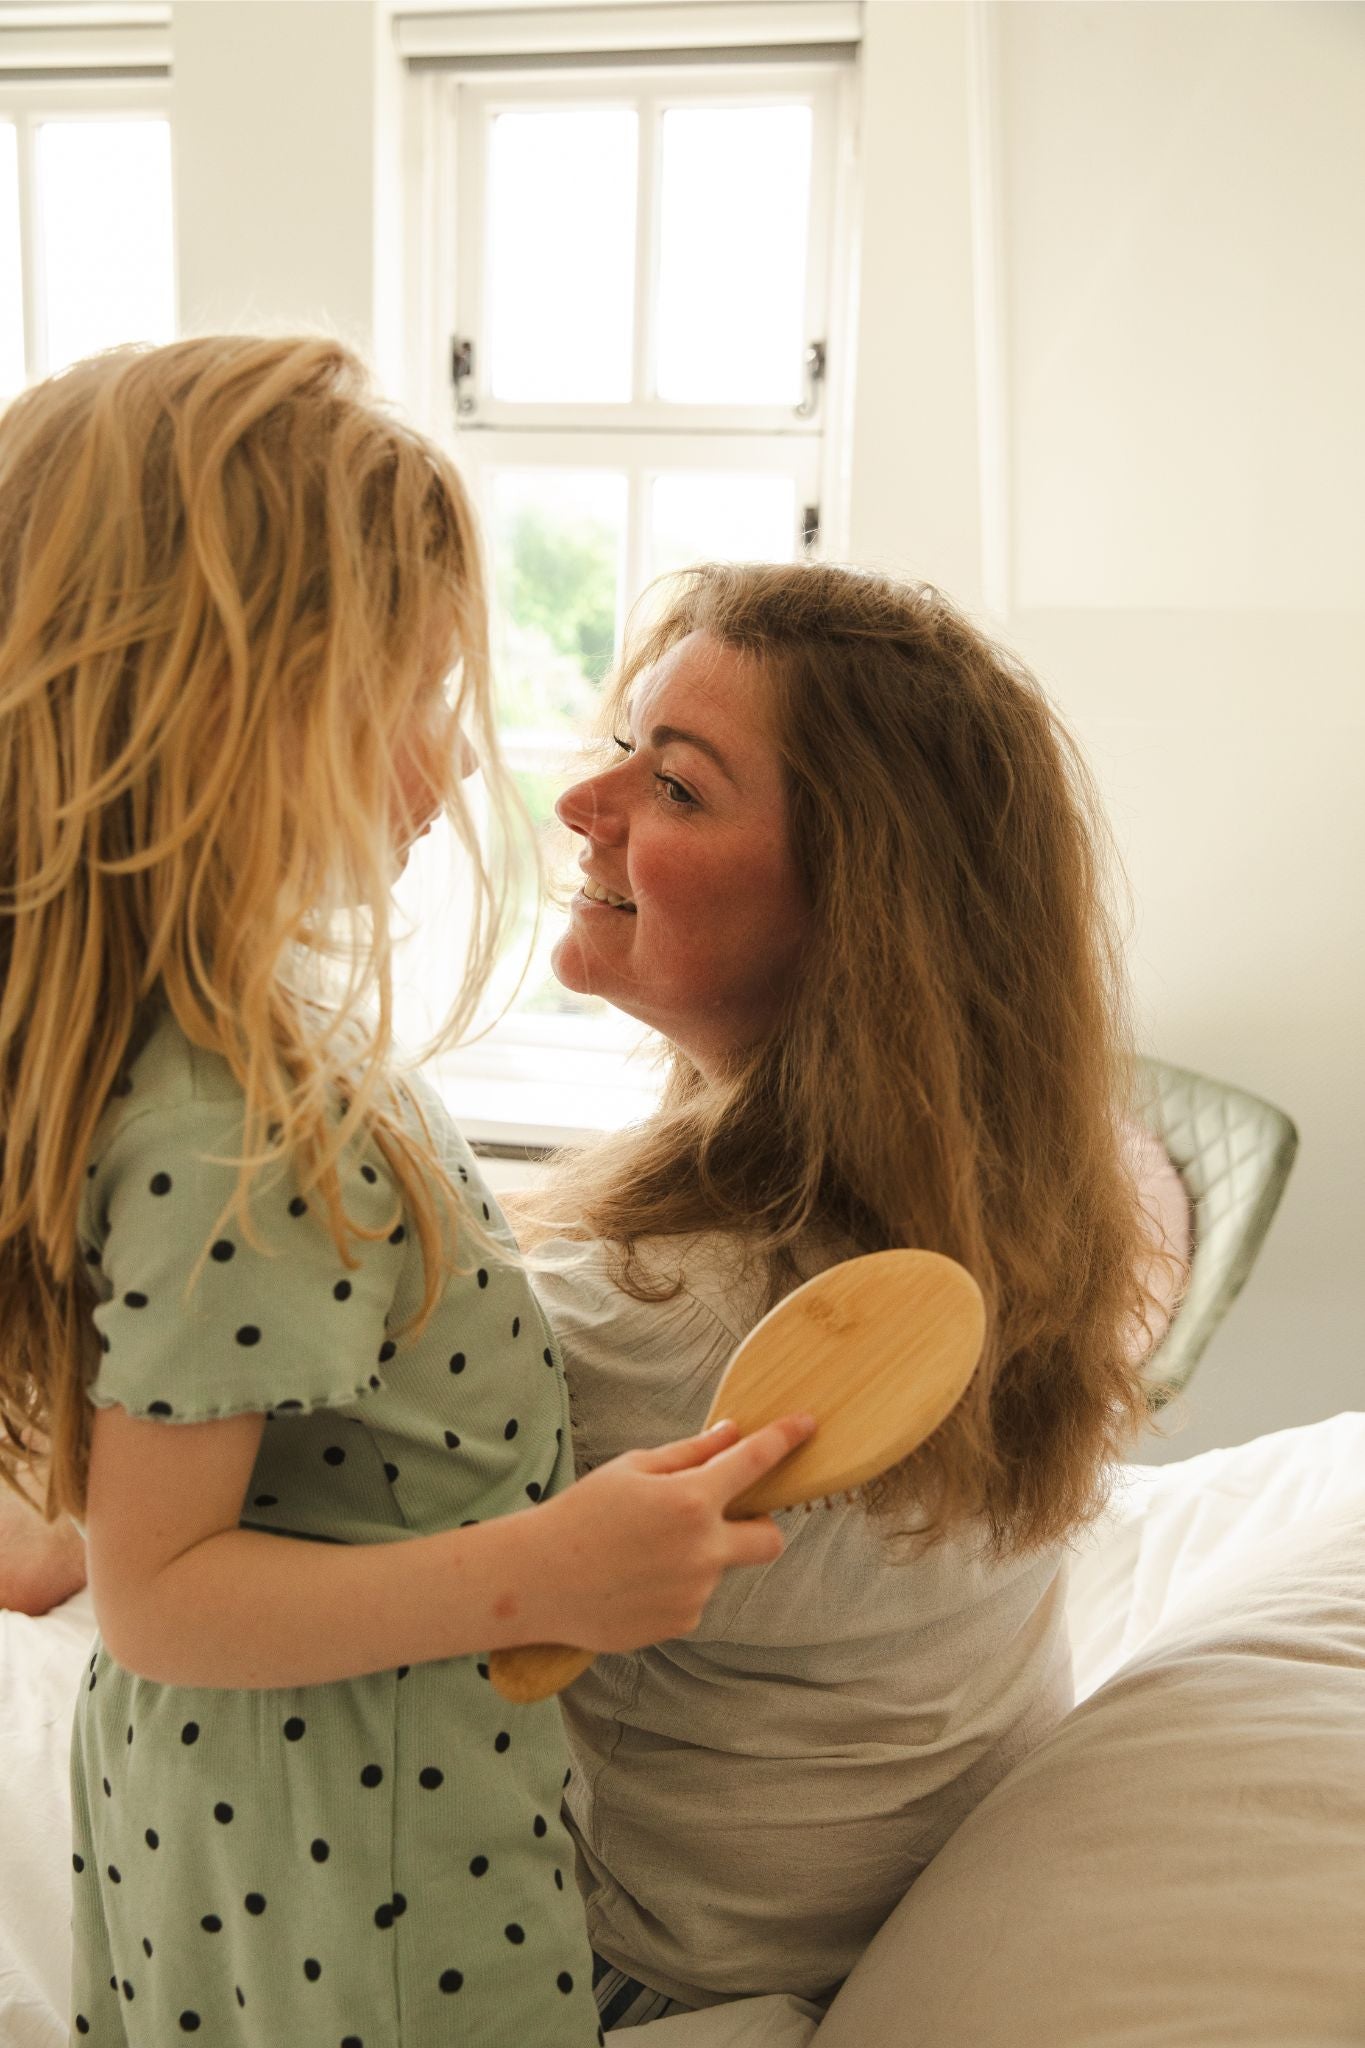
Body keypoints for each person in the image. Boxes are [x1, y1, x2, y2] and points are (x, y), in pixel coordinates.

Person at [0, 337, 815, 2048]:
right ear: (227, 716)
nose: (450, 767)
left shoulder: (234, 1046)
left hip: (271, 1825)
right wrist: (551, 1570)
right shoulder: (240, 1112)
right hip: (348, 1860)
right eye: (410, 695)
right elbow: (158, 1594)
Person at [511, 561, 1186, 2027]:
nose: (582, 802)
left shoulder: (680, 1317)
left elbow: (128, 1546)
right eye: (623, 744)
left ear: (857, 916)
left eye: (674, 787)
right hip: (855, 1910)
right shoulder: (1027, 1214)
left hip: (640, 1976)